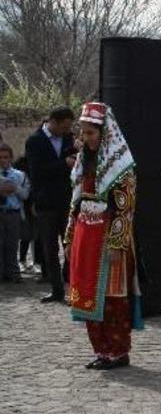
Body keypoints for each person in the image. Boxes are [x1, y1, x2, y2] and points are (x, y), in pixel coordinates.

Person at [64, 102, 142, 370]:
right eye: (83, 133)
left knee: (112, 296)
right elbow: (75, 202)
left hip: (109, 236)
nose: (86, 138)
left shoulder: (121, 166)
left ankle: (117, 350)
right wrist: (70, 236)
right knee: (86, 291)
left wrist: (117, 243)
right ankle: (100, 349)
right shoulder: (83, 161)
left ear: (104, 133)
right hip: (85, 234)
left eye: (91, 133)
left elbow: (125, 208)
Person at [26, 107, 78, 302]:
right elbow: (36, 172)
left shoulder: (69, 139)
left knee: (71, 245)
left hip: (67, 201)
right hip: (46, 202)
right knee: (50, 248)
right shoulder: (35, 141)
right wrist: (64, 164)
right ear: (53, 122)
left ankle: (73, 287)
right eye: (64, 126)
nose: (67, 130)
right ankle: (56, 289)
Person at [0, 143, 30, 283]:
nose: (3, 160)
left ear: (11, 158)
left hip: (13, 213)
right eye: (0, 157)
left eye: (6, 157)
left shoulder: (20, 175)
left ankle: (13, 272)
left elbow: (25, 195)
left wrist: (15, 188)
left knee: (12, 244)